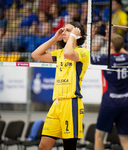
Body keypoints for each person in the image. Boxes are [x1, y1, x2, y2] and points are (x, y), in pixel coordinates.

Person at [31, 21, 89, 150]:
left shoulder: (83, 52)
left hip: (71, 103)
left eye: (68, 30)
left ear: (77, 34)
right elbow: (35, 55)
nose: (63, 32)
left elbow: (69, 53)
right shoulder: (59, 53)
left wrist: (73, 37)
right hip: (56, 104)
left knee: (69, 147)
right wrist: (54, 38)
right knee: (43, 146)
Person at [92, 33, 128, 150]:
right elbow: (121, 49)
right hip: (125, 102)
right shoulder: (127, 58)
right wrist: (114, 41)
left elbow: (86, 56)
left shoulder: (106, 59)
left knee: (99, 136)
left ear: (110, 45)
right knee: (125, 141)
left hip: (110, 102)